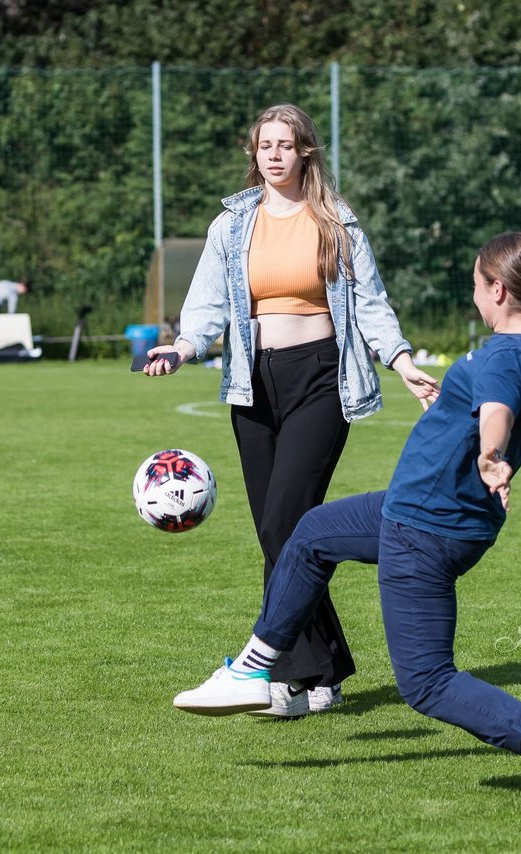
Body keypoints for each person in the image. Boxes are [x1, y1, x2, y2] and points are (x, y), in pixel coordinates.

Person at [172, 232, 521, 813]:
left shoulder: (503, 357)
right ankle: (252, 668)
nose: (475, 298)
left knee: (428, 682)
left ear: (501, 290)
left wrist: (493, 455)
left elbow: (498, 409)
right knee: (312, 535)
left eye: (476, 287)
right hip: (422, 512)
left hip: (425, 527)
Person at [142, 104, 439, 717]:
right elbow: (206, 304)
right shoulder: (232, 224)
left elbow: (371, 303)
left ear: (306, 152)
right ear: (253, 154)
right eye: (263, 145)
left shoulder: (336, 223)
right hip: (253, 384)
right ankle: (321, 670)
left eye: (285, 145)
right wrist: (184, 346)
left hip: (322, 379)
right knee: (278, 532)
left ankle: (287, 676)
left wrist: (402, 361)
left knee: (287, 523)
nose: (273, 154)